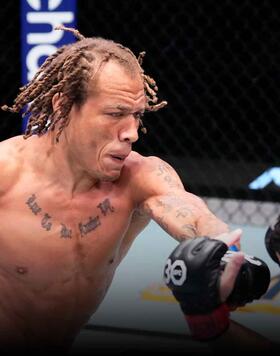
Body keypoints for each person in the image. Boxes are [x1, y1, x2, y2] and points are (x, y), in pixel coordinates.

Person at [0, 25, 262, 354]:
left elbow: (192, 214)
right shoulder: (6, 174)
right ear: (62, 106)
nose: (132, 133)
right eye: (115, 114)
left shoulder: (136, 176)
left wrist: (224, 254)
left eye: (137, 115)